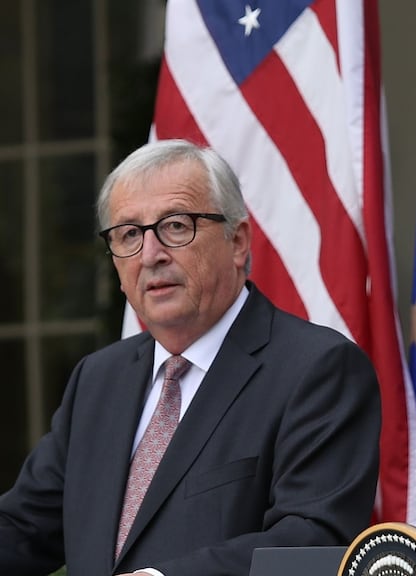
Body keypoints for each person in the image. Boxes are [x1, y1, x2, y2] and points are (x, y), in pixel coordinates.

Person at [0, 139, 382, 576]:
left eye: (176, 226)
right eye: (128, 234)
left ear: (237, 242)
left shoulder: (318, 370)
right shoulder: (98, 378)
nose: (150, 255)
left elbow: (313, 541)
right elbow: (23, 527)